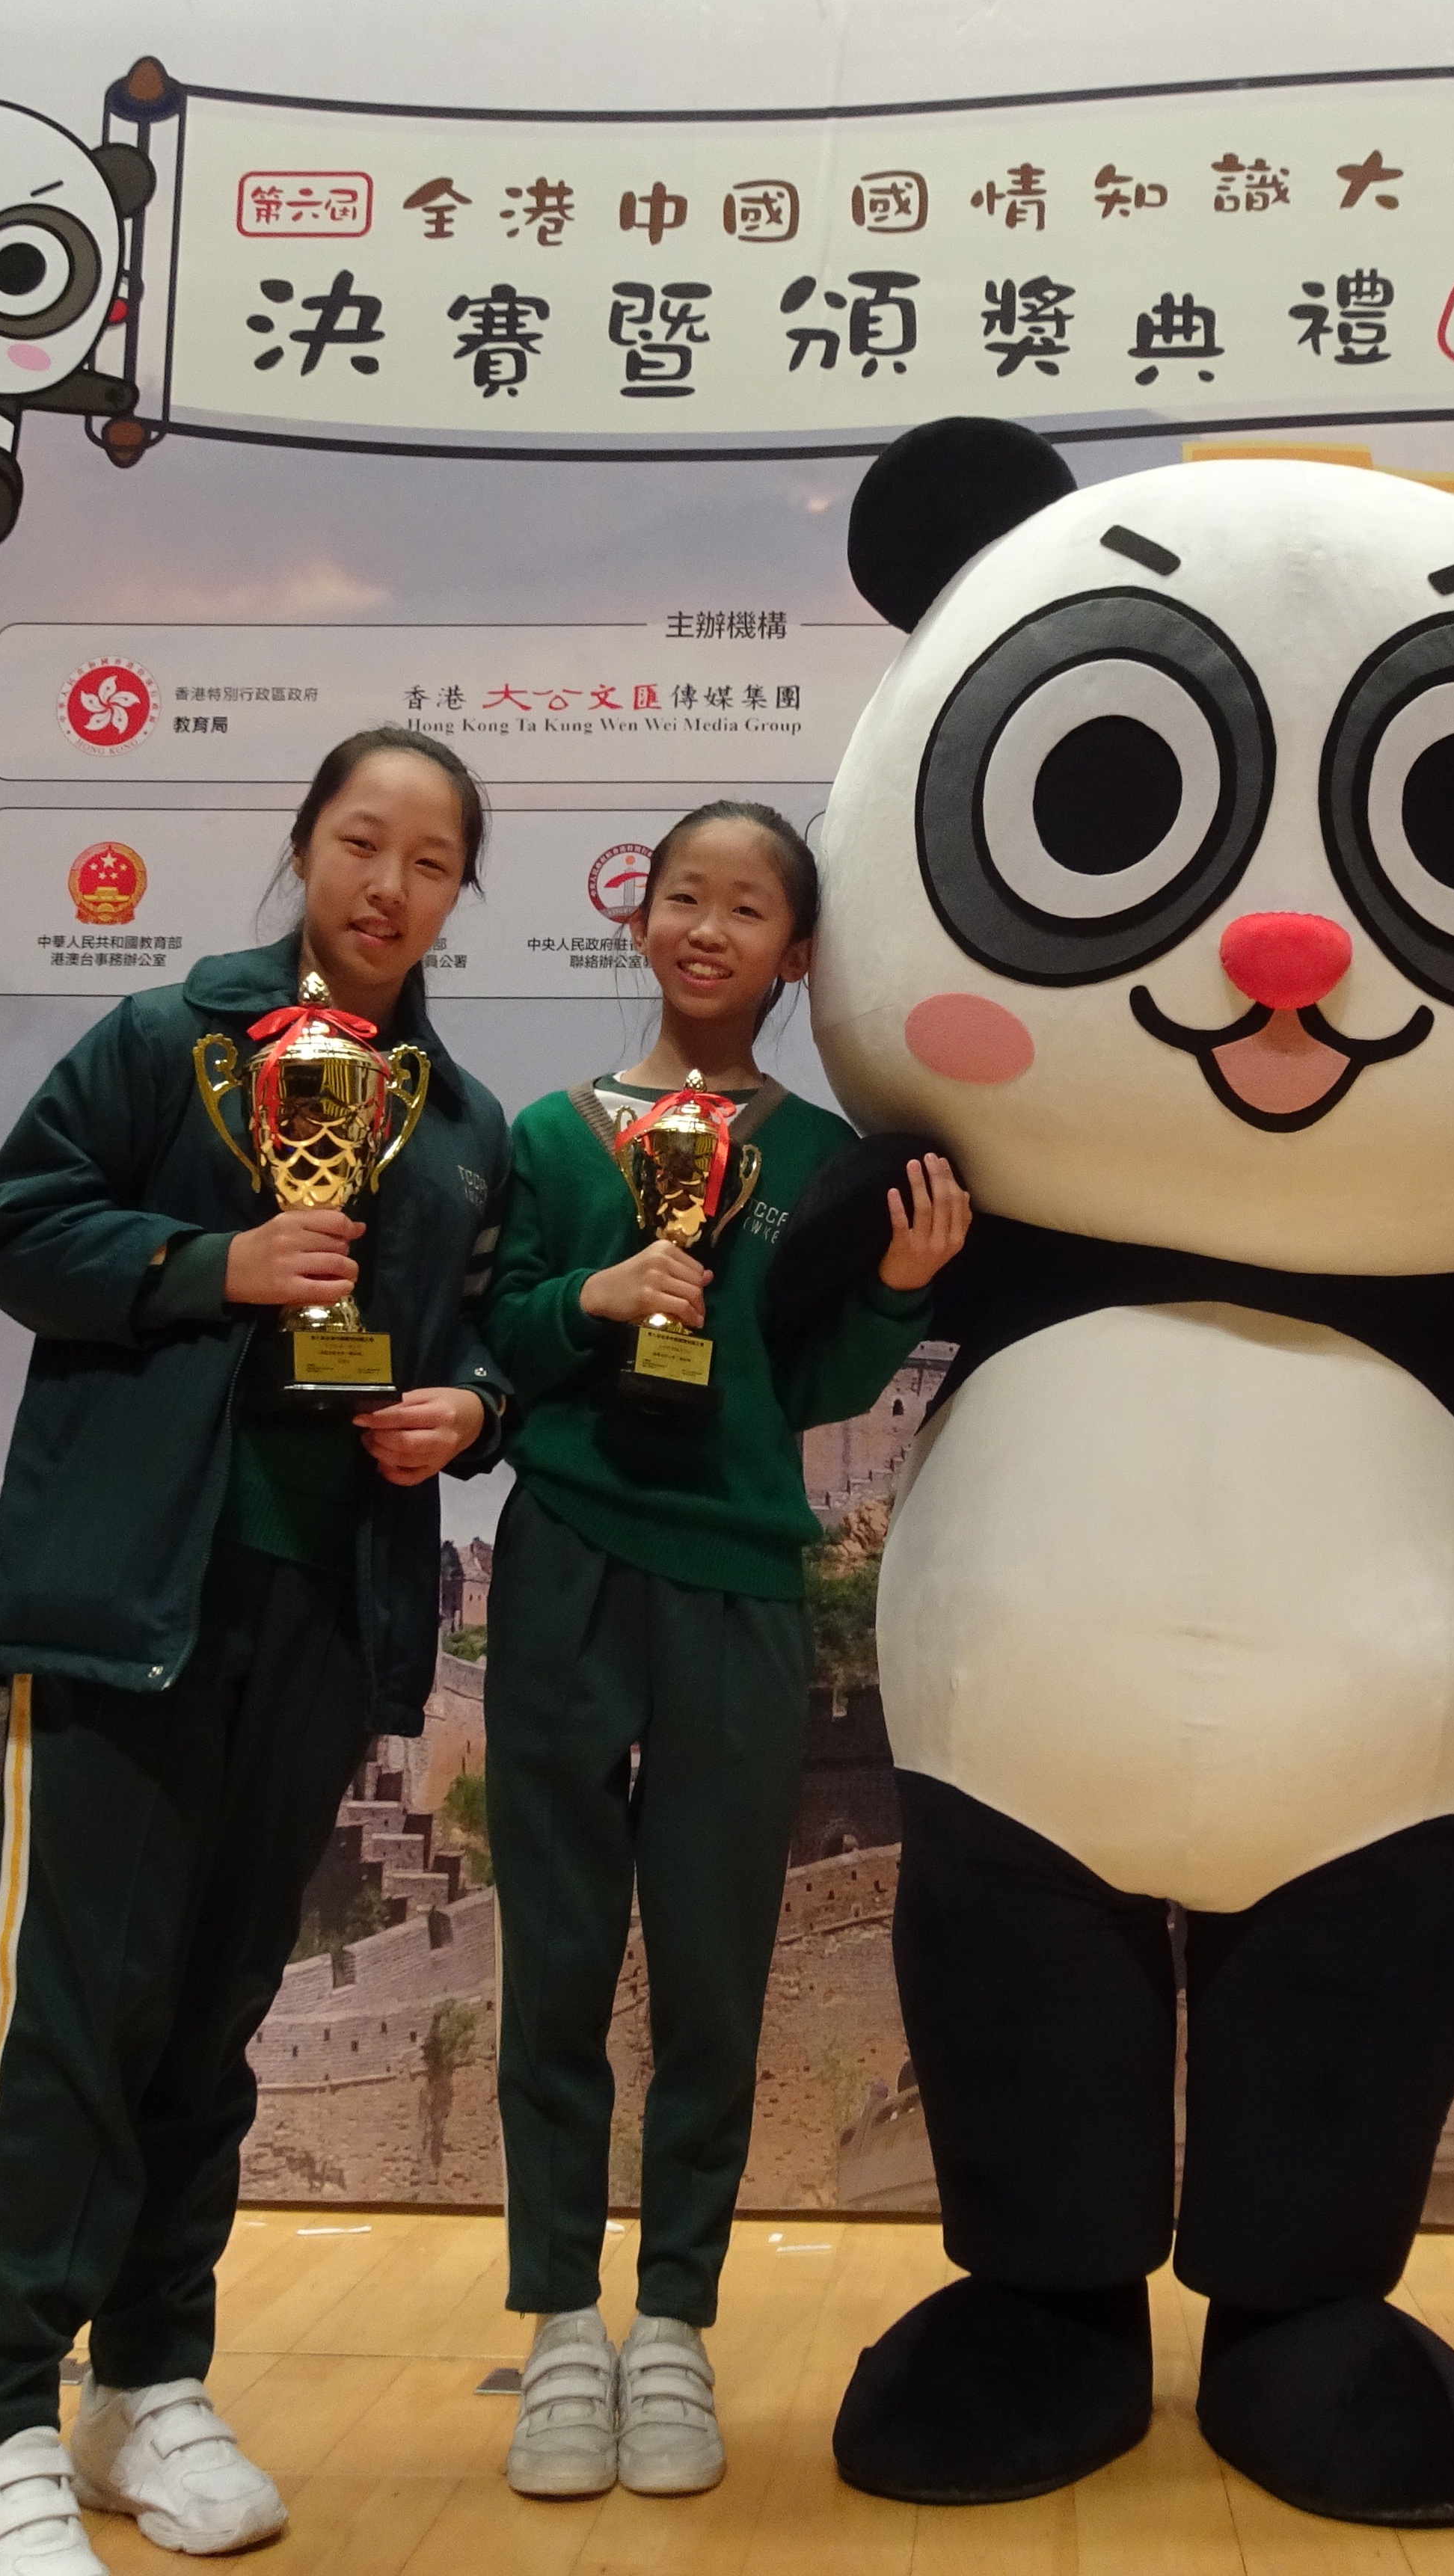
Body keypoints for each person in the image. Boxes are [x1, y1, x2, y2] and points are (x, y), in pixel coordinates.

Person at [0, 731, 512, 2576]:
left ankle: (148, 2383)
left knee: (214, 2019)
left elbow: (482, 1334)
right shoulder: (167, 1042)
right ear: (306, 846)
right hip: (128, 1605)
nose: (388, 886)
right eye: (361, 842)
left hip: (327, 1612)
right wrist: (213, 1266)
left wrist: (467, 1410)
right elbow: (18, 1232)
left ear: (460, 895)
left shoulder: (461, 1128)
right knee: (75, 2016)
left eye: (429, 861)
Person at [476, 800, 972, 2500]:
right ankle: (561, 2321)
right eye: (684, 897)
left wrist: (898, 1290)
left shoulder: (828, 1155)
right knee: (555, 1962)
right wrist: (590, 1300)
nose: (708, 929)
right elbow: (501, 1336)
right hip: (567, 1560)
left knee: (712, 1969)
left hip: (742, 1585)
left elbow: (815, 1384)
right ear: (642, 924)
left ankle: (675, 2322)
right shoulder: (552, 1137)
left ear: (797, 954)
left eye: (747, 909)